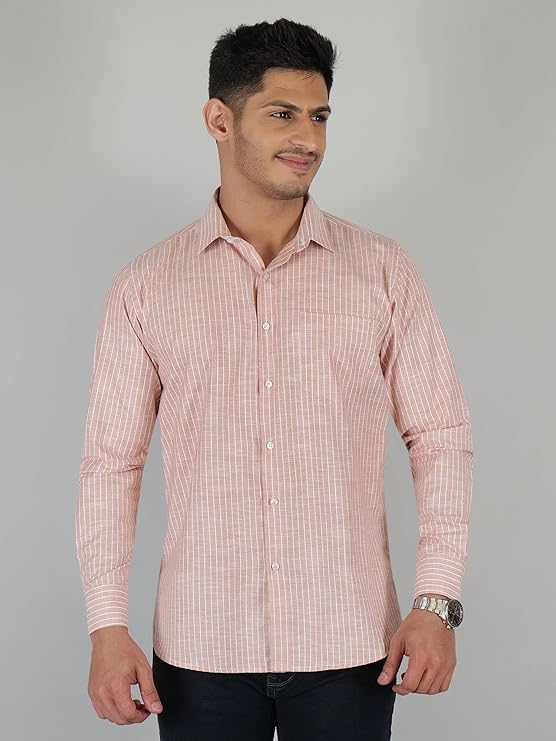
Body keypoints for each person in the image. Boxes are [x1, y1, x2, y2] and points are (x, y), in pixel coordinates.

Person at [75, 17, 473, 741]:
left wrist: (436, 600)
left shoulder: (383, 271)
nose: (309, 139)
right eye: (283, 114)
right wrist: (107, 624)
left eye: (320, 116)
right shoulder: (145, 287)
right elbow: (111, 463)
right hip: (200, 649)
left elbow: (440, 437)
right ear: (219, 120)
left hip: (353, 644)